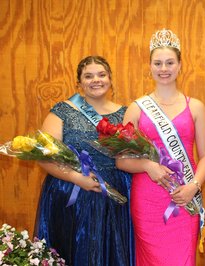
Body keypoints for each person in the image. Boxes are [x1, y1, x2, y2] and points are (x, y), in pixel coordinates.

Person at [116, 29, 205, 266]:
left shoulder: (196, 107)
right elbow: (121, 160)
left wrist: (194, 186)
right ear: (149, 67)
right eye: (157, 63)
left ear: (180, 66)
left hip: (184, 195)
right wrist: (148, 166)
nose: (164, 68)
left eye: (170, 62)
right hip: (148, 198)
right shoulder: (137, 108)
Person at [35, 56, 134, 265]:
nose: (95, 80)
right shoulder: (63, 111)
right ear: (79, 83)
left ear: (110, 79)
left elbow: (132, 156)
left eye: (101, 75)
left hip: (114, 195)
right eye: (88, 76)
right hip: (71, 192)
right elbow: (43, 157)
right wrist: (76, 178)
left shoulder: (125, 113)